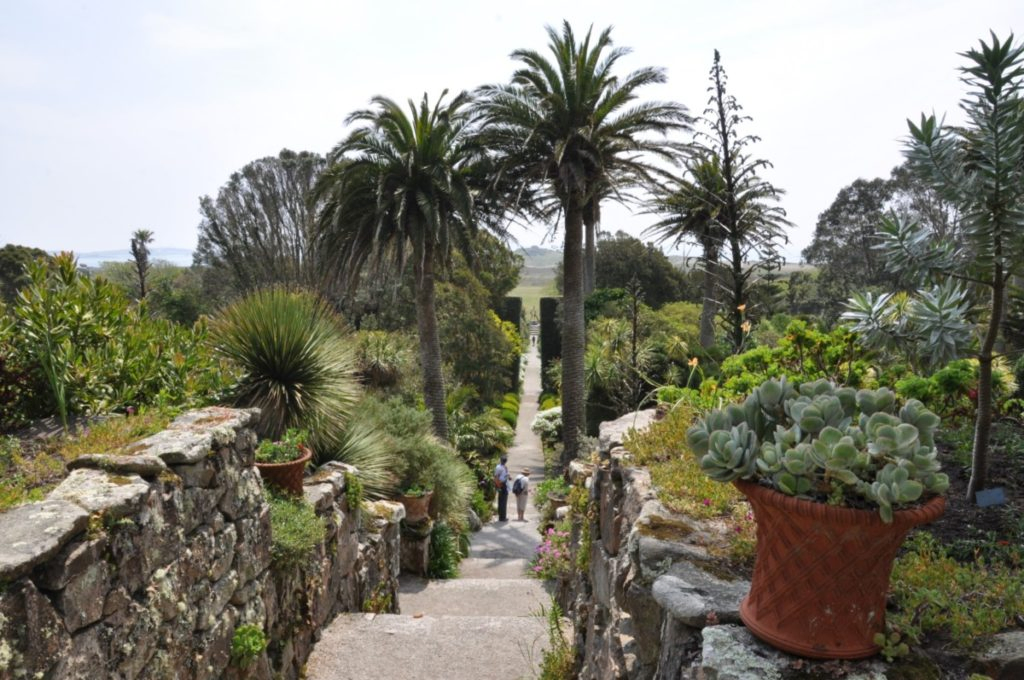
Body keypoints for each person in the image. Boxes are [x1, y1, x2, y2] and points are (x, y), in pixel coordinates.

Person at [494, 455, 510, 521]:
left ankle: (502, 516)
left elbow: (505, 475)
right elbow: (496, 477)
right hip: (501, 484)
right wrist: (498, 485)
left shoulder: (504, 467)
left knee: (502, 500)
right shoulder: (499, 467)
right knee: (502, 501)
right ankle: (502, 517)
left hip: (504, 484)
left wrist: (508, 476)